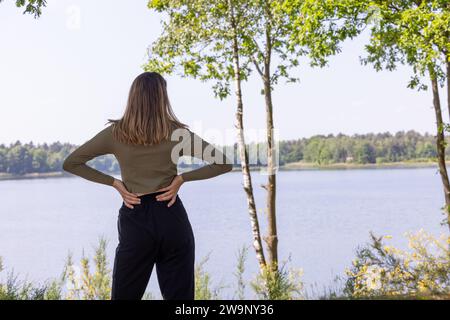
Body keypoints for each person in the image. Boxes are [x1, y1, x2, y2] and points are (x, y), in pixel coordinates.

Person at [62, 71, 233, 300]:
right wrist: (181, 179)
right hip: (171, 216)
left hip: (135, 217)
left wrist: (115, 184)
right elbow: (223, 163)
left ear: (133, 97)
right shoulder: (176, 133)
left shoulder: (115, 133)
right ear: (162, 97)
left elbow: (71, 162)